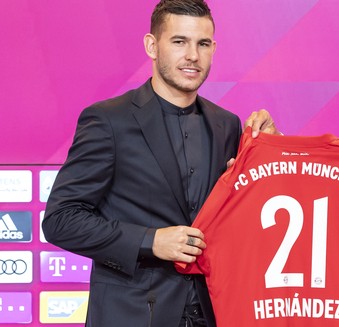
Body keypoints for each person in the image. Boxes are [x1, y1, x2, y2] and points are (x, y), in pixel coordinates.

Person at [42, 1, 278, 326]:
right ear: (152, 46)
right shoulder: (109, 121)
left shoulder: (227, 125)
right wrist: (150, 240)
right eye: (179, 42)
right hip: (132, 314)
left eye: (203, 44)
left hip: (212, 314)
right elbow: (60, 220)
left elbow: (241, 220)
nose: (193, 55)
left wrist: (270, 151)